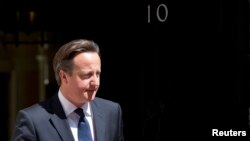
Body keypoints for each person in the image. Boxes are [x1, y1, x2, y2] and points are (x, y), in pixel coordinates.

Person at [12, 39, 124, 141]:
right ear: (64, 76)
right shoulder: (32, 120)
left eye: (98, 74)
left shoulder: (112, 112)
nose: (95, 82)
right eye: (87, 75)